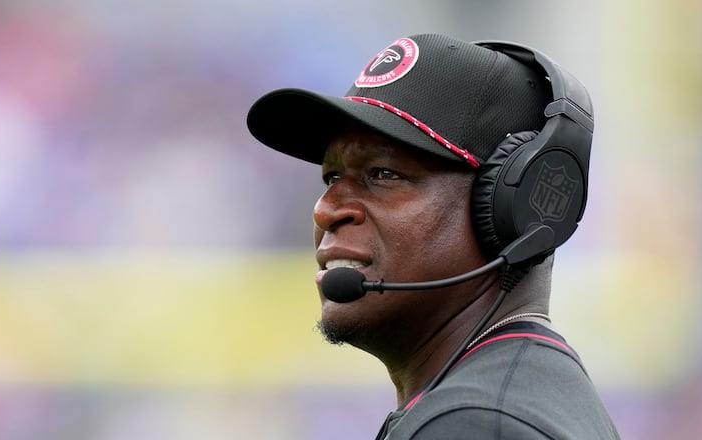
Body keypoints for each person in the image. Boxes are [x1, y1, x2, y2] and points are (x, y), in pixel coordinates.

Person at [247, 33, 620, 439]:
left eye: (383, 174)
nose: (325, 209)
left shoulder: (473, 423)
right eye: (332, 177)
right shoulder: (516, 396)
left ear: (518, 207)